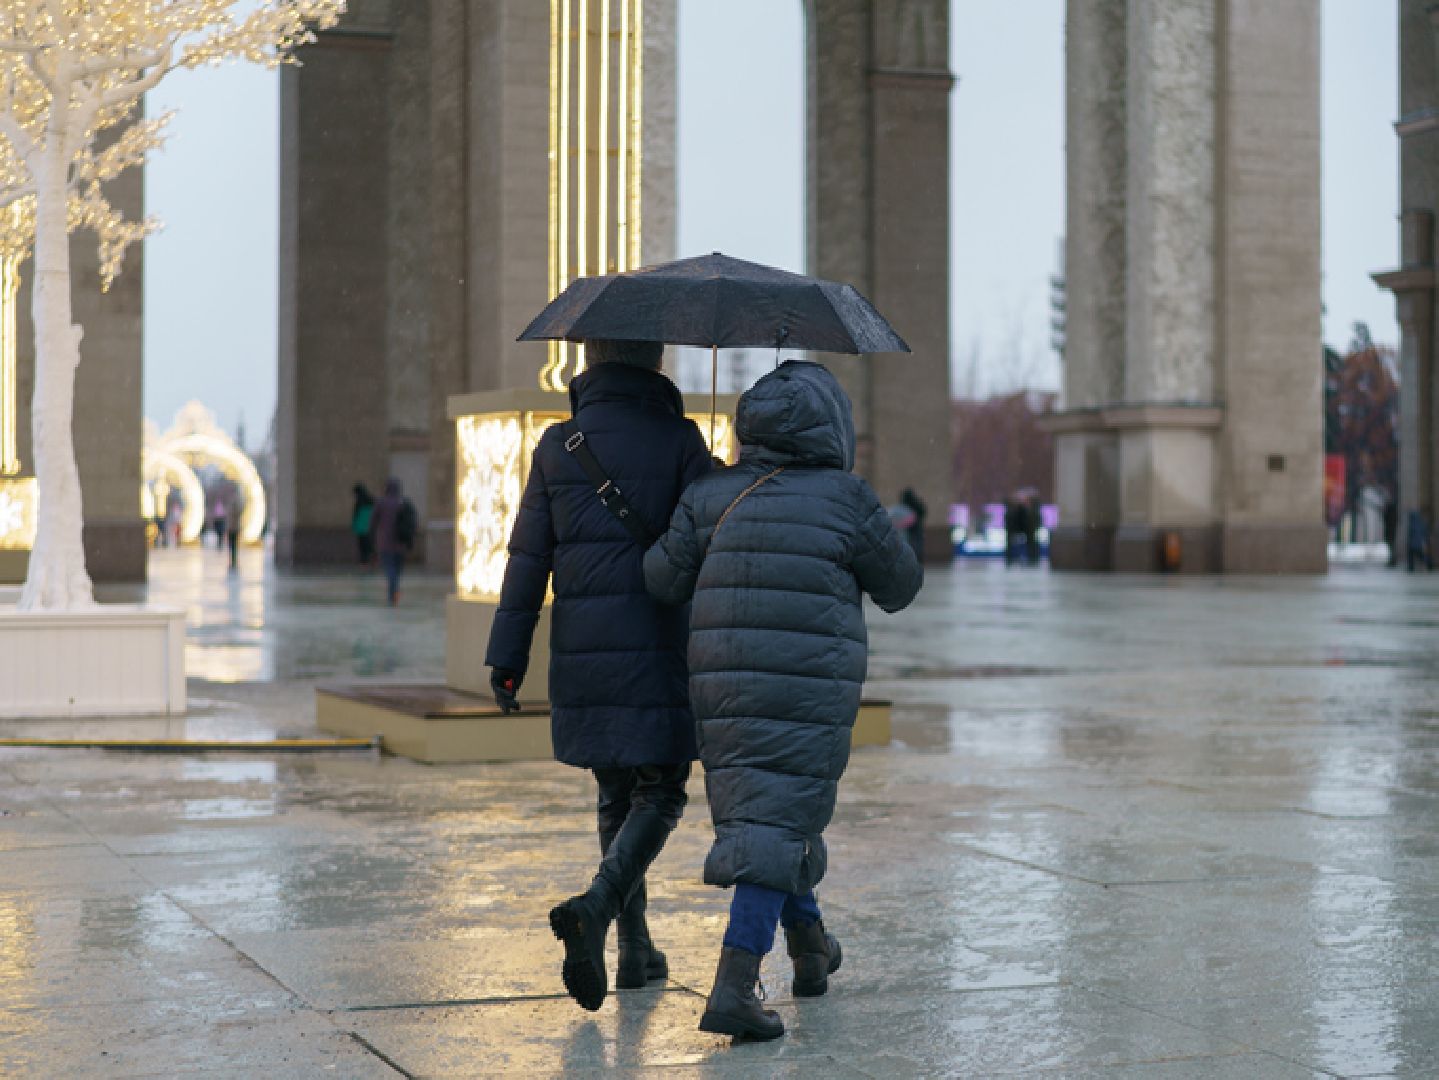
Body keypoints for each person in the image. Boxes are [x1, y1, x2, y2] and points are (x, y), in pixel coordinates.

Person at [644, 360, 923, 1041]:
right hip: (808, 679)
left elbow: (659, 578)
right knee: (779, 814)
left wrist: (698, 496)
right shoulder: (846, 499)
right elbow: (901, 585)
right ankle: (734, 984)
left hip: (720, 682)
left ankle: (809, 952)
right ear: (832, 426)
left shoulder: (712, 493)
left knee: (772, 813)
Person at [484, 338, 713, 1013]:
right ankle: (599, 906)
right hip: (658, 641)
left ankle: (634, 949)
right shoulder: (679, 438)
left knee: (616, 791)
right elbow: (706, 534)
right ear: (656, 362)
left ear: (591, 360)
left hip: (582, 649)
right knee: (663, 790)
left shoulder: (559, 444)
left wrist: (507, 655)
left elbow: (528, 557)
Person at [370, 479, 415, 605]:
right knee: (397, 570)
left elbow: (373, 522)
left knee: (390, 569)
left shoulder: (381, 503)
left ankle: (393, 593)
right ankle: (394, 591)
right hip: (401, 542)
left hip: (385, 543)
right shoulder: (403, 502)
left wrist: (372, 538)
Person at [899, 486, 927, 563]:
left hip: (910, 531)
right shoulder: (915, 504)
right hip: (915, 531)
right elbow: (923, 512)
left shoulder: (906, 506)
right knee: (916, 549)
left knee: (912, 549)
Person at [352, 483, 376, 565]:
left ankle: (364, 561)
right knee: (370, 543)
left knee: (363, 544)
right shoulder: (372, 499)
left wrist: (355, 524)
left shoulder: (359, 501)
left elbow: (356, 514)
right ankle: (372, 558)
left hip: (361, 526)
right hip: (370, 525)